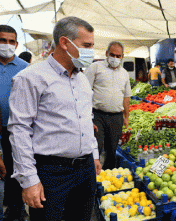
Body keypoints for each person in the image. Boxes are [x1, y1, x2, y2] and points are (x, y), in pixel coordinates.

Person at [7, 16, 101, 221]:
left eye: (92, 46)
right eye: (86, 45)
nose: (91, 52)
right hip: (51, 173)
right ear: (65, 43)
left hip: (85, 171)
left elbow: (86, 119)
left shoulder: (82, 79)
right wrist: (29, 180)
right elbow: (19, 129)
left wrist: (93, 154)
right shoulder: (31, 77)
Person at [84, 41, 131, 170]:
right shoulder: (95, 67)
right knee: (96, 147)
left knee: (112, 148)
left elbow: (126, 97)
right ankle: (94, 176)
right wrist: (86, 116)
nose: (115, 58)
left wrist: (126, 117)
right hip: (97, 115)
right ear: (106, 54)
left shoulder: (124, 73)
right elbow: (84, 91)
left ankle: (109, 174)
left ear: (122, 57)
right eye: (112, 55)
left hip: (116, 117)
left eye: (118, 56)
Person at [0, 24, 29, 221]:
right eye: (3, 40)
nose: (7, 45)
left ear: (17, 44)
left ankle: (15, 207)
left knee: (15, 169)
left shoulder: (25, 69)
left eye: (11, 41)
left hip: (16, 129)